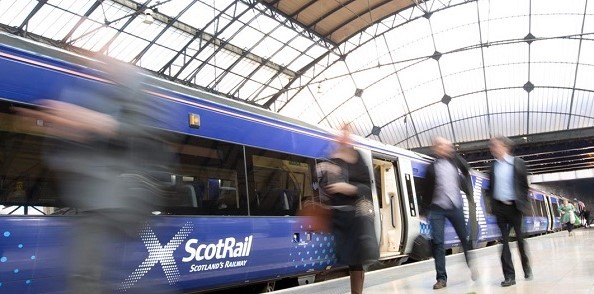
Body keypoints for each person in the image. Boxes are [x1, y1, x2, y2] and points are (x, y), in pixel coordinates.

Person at [16, 56, 176, 293]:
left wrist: (82, 119)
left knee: (87, 275)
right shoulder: (91, 95)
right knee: (89, 274)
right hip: (98, 204)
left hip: (117, 203)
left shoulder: (132, 105)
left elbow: (125, 127)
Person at [316, 126, 378, 294]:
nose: (342, 138)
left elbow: (368, 188)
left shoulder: (358, 158)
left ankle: (356, 292)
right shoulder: (331, 159)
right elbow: (323, 188)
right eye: (340, 135)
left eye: (346, 134)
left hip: (356, 216)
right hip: (338, 216)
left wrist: (348, 188)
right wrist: (323, 172)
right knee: (349, 257)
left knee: (355, 258)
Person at [421, 136, 477, 290]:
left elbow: (467, 171)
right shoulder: (431, 167)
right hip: (437, 208)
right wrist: (423, 211)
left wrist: (464, 183)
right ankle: (441, 278)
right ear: (434, 148)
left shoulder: (456, 161)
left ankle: (472, 266)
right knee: (438, 243)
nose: (442, 147)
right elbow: (425, 190)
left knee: (464, 238)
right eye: (439, 145)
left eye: (445, 145)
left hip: (455, 206)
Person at [486, 136, 532, 287]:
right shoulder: (493, 167)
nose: (493, 148)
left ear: (505, 147)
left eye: (495, 145)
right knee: (504, 243)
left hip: (515, 208)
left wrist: (524, 204)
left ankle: (526, 267)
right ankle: (509, 276)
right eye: (492, 146)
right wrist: (492, 205)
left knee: (519, 240)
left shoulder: (518, 163)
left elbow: (524, 187)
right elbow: (490, 188)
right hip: (500, 208)